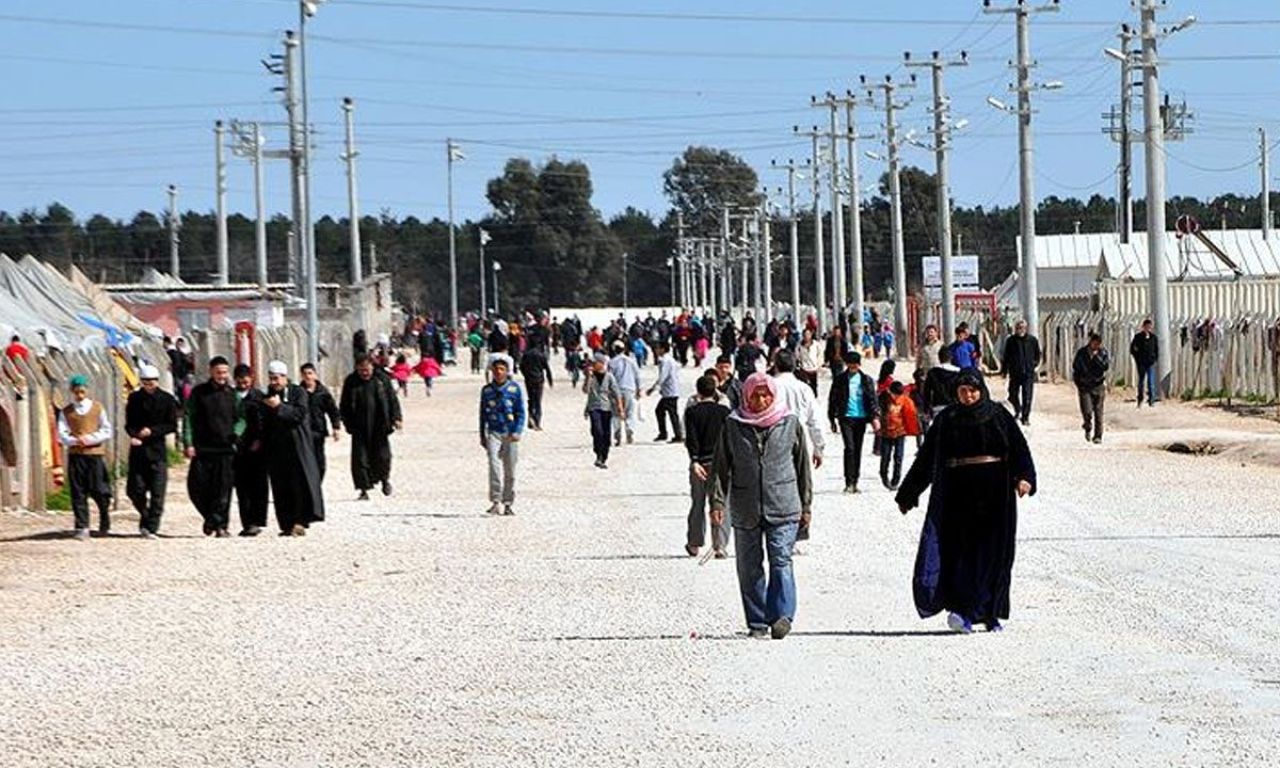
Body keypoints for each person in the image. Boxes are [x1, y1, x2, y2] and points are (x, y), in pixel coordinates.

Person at [896, 370, 1036, 634]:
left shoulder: (998, 415)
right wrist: (908, 493)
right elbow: (926, 459)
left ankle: (991, 613)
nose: (968, 396)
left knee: (995, 555)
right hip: (958, 497)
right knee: (962, 554)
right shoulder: (948, 419)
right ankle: (963, 611)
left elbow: (1019, 449)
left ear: (981, 390)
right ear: (956, 393)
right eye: (963, 391)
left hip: (996, 495)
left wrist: (1025, 477)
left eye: (972, 391)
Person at [710, 373, 812, 640]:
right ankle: (757, 621)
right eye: (755, 395)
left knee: (781, 560)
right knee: (749, 565)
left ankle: (781, 616)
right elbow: (721, 467)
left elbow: (803, 466)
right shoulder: (732, 425)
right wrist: (718, 501)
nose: (761, 399)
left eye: (766, 394)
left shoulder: (789, 423)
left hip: (784, 504)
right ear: (746, 396)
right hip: (746, 506)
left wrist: (807, 505)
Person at [262, 361, 324, 536]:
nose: (274, 382)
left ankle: (299, 521)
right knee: (281, 487)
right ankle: (286, 524)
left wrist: (279, 407)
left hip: (297, 447)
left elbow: (299, 414)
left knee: (299, 485)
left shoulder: (298, 392)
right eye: (271, 378)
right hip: (277, 449)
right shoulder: (269, 395)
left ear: (284, 377)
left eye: (277, 378)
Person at [184, 356, 244, 537]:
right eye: (218, 372)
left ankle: (220, 526)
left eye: (225, 372)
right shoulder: (199, 393)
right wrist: (188, 442)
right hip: (203, 448)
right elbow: (189, 418)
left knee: (223, 490)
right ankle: (210, 517)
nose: (222, 376)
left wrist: (237, 432)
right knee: (196, 487)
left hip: (225, 448)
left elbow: (242, 418)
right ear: (211, 372)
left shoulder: (233, 394)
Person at [58, 374, 114, 539]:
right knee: (78, 491)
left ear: (87, 390)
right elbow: (61, 433)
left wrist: (89, 439)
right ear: (72, 391)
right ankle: (82, 525)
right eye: (76, 391)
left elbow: (106, 430)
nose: (79, 394)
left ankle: (104, 515)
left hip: (94, 455)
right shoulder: (67, 411)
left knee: (99, 489)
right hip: (76, 454)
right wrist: (74, 440)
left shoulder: (97, 408)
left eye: (82, 391)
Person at [124, 364, 178, 538]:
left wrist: (153, 431)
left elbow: (171, 425)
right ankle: (145, 515)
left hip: (157, 451)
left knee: (157, 491)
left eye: (152, 381)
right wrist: (133, 435)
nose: (149, 385)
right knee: (134, 489)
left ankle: (151, 527)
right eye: (146, 382)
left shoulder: (167, 399)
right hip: (138, 450)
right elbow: (129, 423)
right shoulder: (134, 399)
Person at [340, 355, 403, 500]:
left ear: (372, 367)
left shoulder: (382, 380)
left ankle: (384, 480)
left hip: (380, 425)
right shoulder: (351, 381)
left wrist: (397, 418)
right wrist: (347, 423)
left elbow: (392, 400)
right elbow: (344, 405)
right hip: (359, 427)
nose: (365, 373)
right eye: (361, 370)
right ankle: (363, 489)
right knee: (360, 459)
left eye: (367, 369)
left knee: (383, 457)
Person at [683, 375, 731, 559]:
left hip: (700, 463)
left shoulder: (692, 412)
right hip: (720, 463)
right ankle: (719, 545)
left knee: (697, 503)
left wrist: (694, 460)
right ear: (715, 391)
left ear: (698, 392)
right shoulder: (724, 412)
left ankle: (694, 543)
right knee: (720, 503)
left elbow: (691, 439)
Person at [827, 351, 880, 494]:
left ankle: (855, 481)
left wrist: (875, 416)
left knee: (857, 449)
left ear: (859, 364)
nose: (852, 367)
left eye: (855, 364)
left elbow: (873, 399)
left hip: (861, 418)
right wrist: (831, 418)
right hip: (846, 417)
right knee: (849, 448)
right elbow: (833, 399)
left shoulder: (866, 380)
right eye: (850, 364)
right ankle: (848, 481)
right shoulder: (840, 380)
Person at [479, 357, 525, 515]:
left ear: (507, 371)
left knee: (510, 470)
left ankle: (508, 502)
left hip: (510, 433)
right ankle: (495, 500)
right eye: (496, 369)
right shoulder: (487, 391)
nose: (498, 372)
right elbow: (482, 415)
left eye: (502, 369)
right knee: (494, 466)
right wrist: (482, 436)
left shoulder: (514, 389)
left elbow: (521, 412)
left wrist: (518, 431)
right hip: (494, 431)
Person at [233, 363, 269, 537]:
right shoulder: (230, 397)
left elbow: (265, 422)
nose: (243, 383)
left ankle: (257, 520)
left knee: (259, 486)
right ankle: (247, 522)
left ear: (251, 380)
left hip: (257, 449)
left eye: (246, 380)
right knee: (242, 487)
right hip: (238, 449)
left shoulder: (259, 397)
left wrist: (260, 440)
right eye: (240, 381)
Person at [300, 362, 341, 482]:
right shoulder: (298, 392)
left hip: (318, 431)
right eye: (305, 374)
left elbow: (332, 410)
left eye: (310, 373)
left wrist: (336, 427)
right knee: (306, 460)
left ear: (315, 375)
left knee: (319, 462)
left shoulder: (322, 392)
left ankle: (317, 482)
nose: (307, 376)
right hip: (304, 431)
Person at [584, 352, 624, 469]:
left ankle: (604, 456)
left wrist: (620, 408)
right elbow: (585, 391)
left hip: (606, 408)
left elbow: (617, 393)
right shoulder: (591, 377)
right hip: (593, 407)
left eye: (594, 363)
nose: (592, 365)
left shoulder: (609, 376)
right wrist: (587, 377)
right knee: (597, 431)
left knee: (606, 433)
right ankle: (598, 455)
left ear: (601, 363)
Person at [877, 380, 918, 490]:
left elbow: (910, 414)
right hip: (886, 432)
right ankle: (884, 475)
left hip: (900, 432)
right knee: (885, 456)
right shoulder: (883, 398)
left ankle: (896, 479)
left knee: (898, 457)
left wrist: (913, 430)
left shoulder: (905, 400)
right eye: (894, 394)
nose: (896, 397)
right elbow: (876, 409)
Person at [1001, 319, 1042, 426]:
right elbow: (1006, 357)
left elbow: (1037, 354)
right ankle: (1018, 410)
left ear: (1026, 328)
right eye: (1018, 328)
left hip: (1028, 373)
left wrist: (1033, 365)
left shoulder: (1032, 340)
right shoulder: (1011, 341)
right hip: (1015, 373)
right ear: (1015, 329)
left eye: (1022, 327)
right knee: (1012, 394)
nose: (1021, 330)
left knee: (1027, 397)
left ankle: (1025, 417)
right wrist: (1004, 370)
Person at [1073, 333, 1110, 444]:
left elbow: (1105, 366)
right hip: (1085, 386)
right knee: (1087, 411)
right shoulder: (1082, 353)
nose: (1096, 345)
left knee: (1099, 412)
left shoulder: (1103, 353)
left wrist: (1096, 357)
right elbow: (1075, 367)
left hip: (1098, 385)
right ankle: (1087, 426)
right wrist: (1079, 383)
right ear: (1090, 342)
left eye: (1098, 343)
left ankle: (1098, 436)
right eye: (1095, 342)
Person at [607, 341, 641, 446]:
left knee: (616, 414)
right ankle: (630, 430)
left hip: (616, 391)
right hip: (629, 389)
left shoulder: (611, 362)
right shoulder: (631, 361)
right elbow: (637, 376)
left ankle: (618, 436)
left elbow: (609, 378)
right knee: (630, 413)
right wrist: (639, 389)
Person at [648, 340, 683, 443]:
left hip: (670, 392)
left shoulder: (665, 361)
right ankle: (666, 433)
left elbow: (663, 376)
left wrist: (653, 388)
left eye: (658, 348)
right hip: (671, 391)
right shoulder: (669, 360)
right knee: (662, 411)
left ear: (663, 349)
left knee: (671, 413)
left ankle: (677, 435)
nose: (656, 350)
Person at [518, 344, 553, 431]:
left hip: (529, 379)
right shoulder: (541, 355)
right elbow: (547, 369)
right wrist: (550, 380)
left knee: (531, 398)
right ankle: (537, 422)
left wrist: (525, 375)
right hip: (539, 379)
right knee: (538, 401)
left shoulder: (526, 355)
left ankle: (530, 415)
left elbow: (521, 367)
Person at [1130, 318, 1159, 407]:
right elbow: (1132, 349)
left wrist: (1155, 359)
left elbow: (1156, 349)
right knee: (1141, 382)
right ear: (1143, 327)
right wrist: (1137, 358)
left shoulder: (1153, 337)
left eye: (1150, 327)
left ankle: (1151, 399)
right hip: (1141, 363)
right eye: (1146, 327)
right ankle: (1140, 399)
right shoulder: (1138, 337)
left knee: (1151, 382)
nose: (1148, 328)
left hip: (1150, 363)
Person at [794, 327, 821, 397]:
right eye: (805, 335)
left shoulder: (816, 344)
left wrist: (818, 365)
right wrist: (800, 364)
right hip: (804, 368)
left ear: (811, 335)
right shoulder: (799, 345)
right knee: (805, 385)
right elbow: (797, 355)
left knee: (814, 386)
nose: (806, 336)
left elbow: (820, 354)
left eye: (808, 334)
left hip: (814, 368)